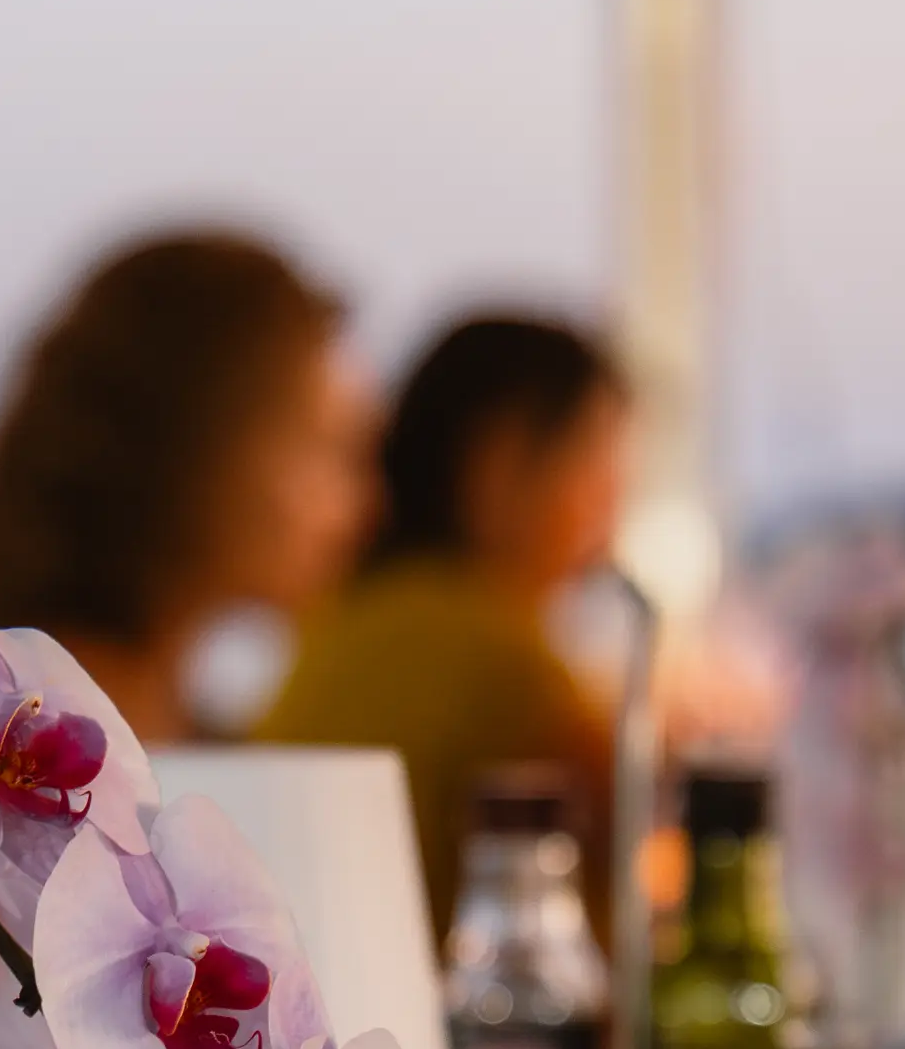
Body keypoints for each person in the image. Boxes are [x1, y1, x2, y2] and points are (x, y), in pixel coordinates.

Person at [254, 312, 629, 934]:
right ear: (502, 463)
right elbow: (619, 858)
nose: (610, 514)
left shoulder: (344, 616)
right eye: (597, 466)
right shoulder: (490, 645)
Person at [0, 230, 369, 740]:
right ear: (199, 440)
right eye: (331, 451)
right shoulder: (20, 752)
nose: (363, 507)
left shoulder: (168, 727)